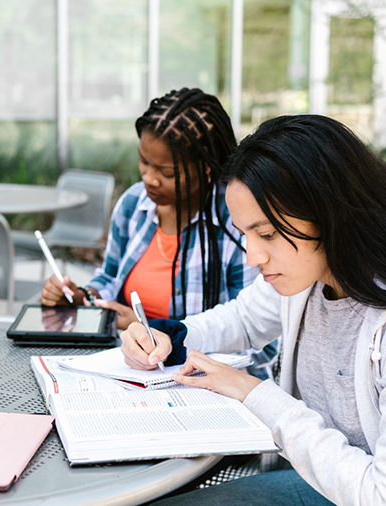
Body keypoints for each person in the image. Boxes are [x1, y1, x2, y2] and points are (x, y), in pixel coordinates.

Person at [123, 115, 386, 505]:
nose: (253, 256)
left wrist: (256, 394)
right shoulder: (312, 271)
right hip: (341, 486)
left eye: (266, 234)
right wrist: (167, 336)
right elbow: (242, 319)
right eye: (245, 234)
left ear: (329, 213)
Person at [41, 87, 277, 378]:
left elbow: (259, 339)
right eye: (144, 162)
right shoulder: (133, 205)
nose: (149, 179)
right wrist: (83, 298)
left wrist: (156, 331)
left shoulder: (236, 222)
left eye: (167, 172)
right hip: (130, 372)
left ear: (205, 167)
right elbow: (110, 278)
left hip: (206, 387)